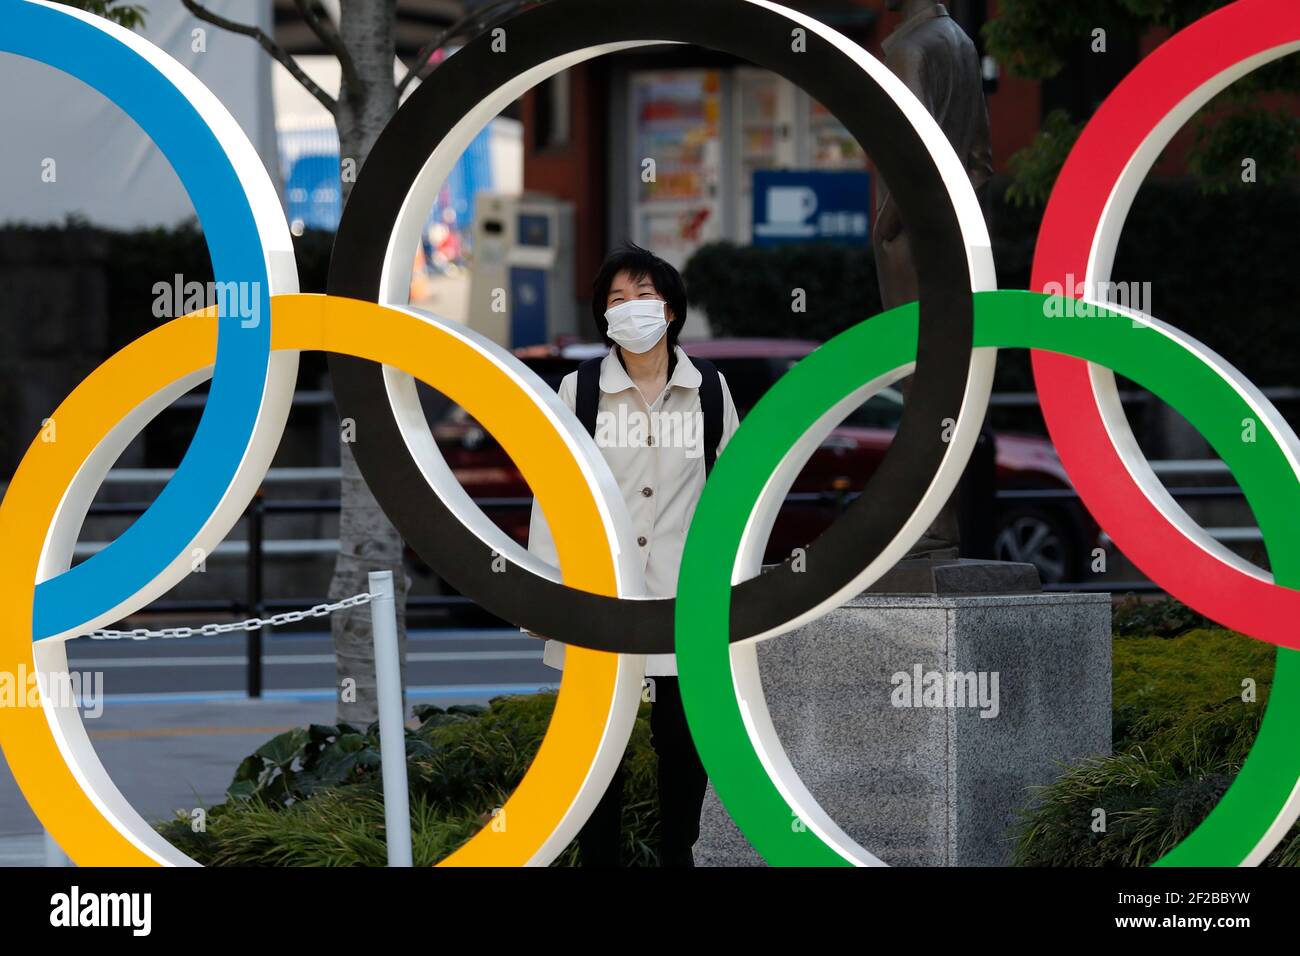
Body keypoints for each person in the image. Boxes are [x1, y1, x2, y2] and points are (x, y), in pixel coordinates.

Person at [524, 240, 740, 866]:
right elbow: (555, 493)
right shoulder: (579, 389)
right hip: (601, 595)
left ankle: (679, 855)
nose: (631, 308)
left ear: (671, 310)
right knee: (600, 748)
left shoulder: (709, 391)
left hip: (683, 597)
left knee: (682, 740)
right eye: (616, 299)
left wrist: (733, 588)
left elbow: (733, 493)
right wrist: (549, 596)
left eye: (644, 296)